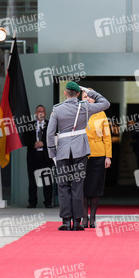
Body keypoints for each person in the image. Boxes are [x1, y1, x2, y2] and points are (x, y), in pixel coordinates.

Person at [47, 82, 110, 231]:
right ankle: (77, 222)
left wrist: (52, 153)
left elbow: (50, 134)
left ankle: (65, 221)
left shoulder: (57, 109)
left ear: (64, 93)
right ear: (77, 94)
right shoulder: (85, 107)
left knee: (63, 186)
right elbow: (105, 103)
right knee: (78, 186)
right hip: (80, 151)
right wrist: (89, 91)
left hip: (62, 152)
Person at [82, 89, 112, 228]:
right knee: (81, 187)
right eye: (85, 97)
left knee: (95, 187)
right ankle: (84, 218)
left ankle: (93, 217)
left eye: (90, 97)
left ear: (95, 99)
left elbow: (107, 137)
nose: (88, 99)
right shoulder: (79, 112)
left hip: (99, 154)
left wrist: (108, 156)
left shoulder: (101, 114)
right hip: (81, 154)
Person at [25, 105, 54, 208]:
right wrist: (33, 144)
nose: (41, 113)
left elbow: (54, 139)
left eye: (42, 111)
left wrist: (43, 143)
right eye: (39, 111)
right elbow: (25, 139)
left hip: (45, 156)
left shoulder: (50, 124)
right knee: (32, 180)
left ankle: (48, 202)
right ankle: (32, 202)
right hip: (33, 156)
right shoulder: (30, 125)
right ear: (36, 113)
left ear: (45, 113)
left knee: (47, 180)